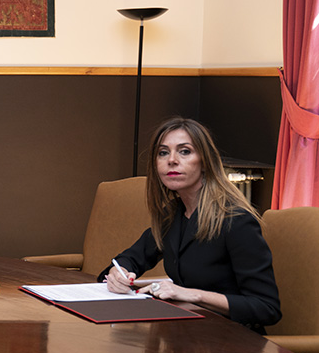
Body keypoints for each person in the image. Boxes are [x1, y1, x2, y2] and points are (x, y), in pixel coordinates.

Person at [102, 117, 280, 331]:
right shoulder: (172, 215)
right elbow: (132, 258)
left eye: (185, 151)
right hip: (187, 332)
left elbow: (266, 308)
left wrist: (191, 294)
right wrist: (119, 273)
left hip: (231, 339)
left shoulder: (236, 220)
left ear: (205, 161)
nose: (172, 160)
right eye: (163, 153)